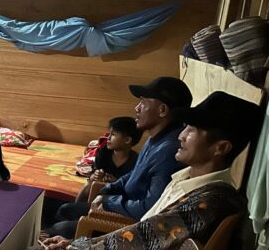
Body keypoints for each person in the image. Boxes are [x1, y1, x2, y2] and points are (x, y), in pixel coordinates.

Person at [3, 91, 264, 250]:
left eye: (193, 130)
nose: (182, 136)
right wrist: (74, 244)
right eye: (185, 127)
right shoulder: (187, 181)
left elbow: (134, 246)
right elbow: (138, 233)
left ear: (221, 148)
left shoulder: (207, 204)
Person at [47, 76, 192, 238]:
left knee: (60, 228)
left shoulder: (169, 151)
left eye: (143, 102)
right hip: (124, 206)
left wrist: (108, 202)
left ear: (162, 110)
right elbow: (135, 174)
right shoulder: (156, 140)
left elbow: (149, 209)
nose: (137, 108)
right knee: (66, 209)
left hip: (129, 226)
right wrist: (108, 188)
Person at [75, 117, 142, 203]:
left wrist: (116, 182)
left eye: (113, 134)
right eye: (109, 134)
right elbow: (94, 174)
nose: (108, 138)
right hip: (99, 188)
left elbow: (131, 188)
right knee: (89, 184)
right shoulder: (104, 152)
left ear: (127, 140)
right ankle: (77, 207)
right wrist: (95, 176)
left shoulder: (135, 161)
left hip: (118, 197)